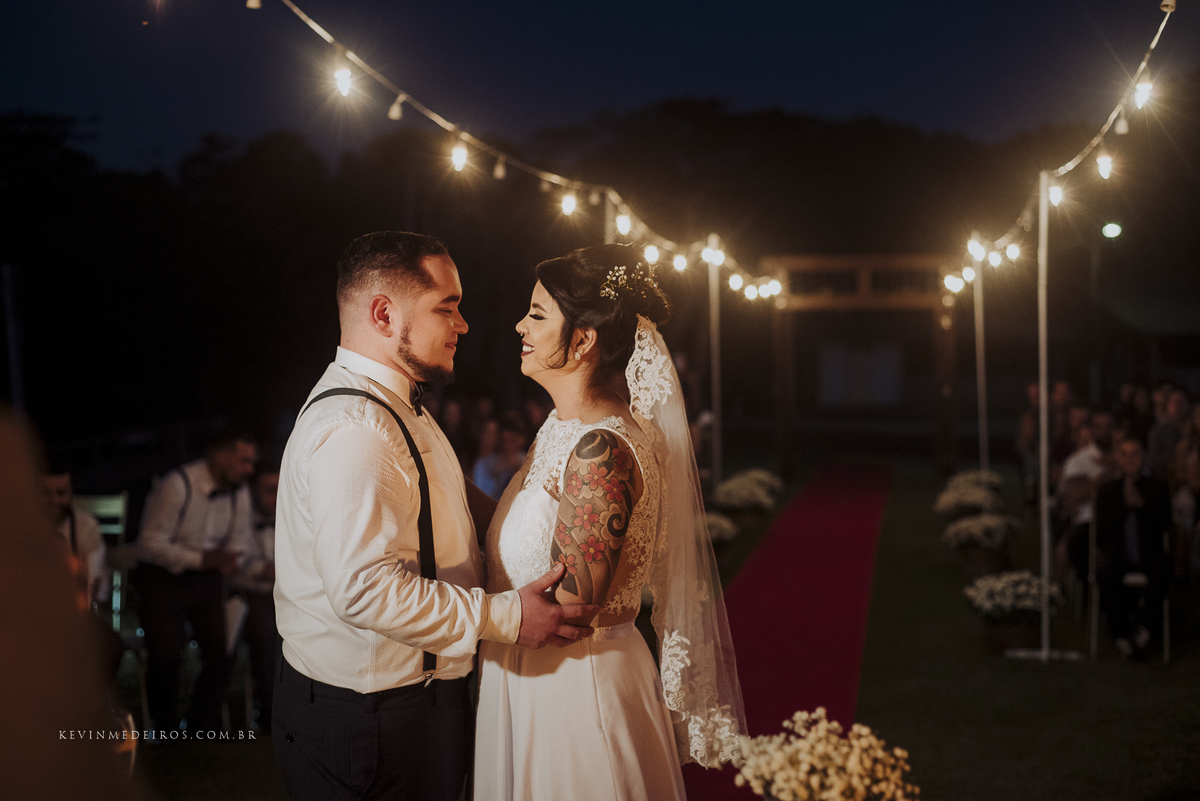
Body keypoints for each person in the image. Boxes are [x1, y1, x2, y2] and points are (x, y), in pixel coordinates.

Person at [272, 231, 597, 801]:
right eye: (447, 307)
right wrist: (507, 618)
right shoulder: (357, 429)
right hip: (371, 721)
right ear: (383, 313)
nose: (464, 324)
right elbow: (364, 591)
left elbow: (437, 490)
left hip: (406, 709)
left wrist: (522, 528)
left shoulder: (398, 402)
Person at [475, 244, 746, 800]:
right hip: (528, 680)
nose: (519, 324)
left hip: (576, 690)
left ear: (582, 340)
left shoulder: (601, 448)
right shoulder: (562, 427)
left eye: (538, 314)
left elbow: (570, 608)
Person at [134, 427, 257, 735]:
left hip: (207, 581)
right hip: (162, 579)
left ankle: (202, 722)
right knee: (166, 653)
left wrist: (233, 559)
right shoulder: (177, 485)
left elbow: (241, 541)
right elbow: (148, 543)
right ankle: (164, 725)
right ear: (220, 456)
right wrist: (200, 559)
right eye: (243, 461)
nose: (249, 470)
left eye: (251, 462)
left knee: (221, 649)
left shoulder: (239, 491)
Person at [1093, 438, 1172, 657]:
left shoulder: (1157, 488)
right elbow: (1101, 528)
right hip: (1117, 551)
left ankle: (1145, 627)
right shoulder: (1108, 490)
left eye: (1135, 454)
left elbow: (1165, 524)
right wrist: (1125, 505)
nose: (1130, 459)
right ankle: (1121, 632)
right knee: (1106, 574)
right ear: (1117, 458)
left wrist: (1142, 506)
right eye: (1124, 454)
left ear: (1144, 457)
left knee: (1163, 568)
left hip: (1148, 551)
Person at [228, 464, 281, 731]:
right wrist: (264, 569)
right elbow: (233, 564)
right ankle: (268, 712)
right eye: (270, 490)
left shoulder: (290, 515)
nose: (277, 496)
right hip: (246, 594)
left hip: (282, 594)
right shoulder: (239, 517)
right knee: (265, 633)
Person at [471, 411, 528, 500]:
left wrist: (517, 473)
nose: (507, 445)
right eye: (504, 440)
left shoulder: (528, 462)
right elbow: (482, 496)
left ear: (521, 440)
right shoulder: (485, 464)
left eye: (512, 441)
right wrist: (497, 476)